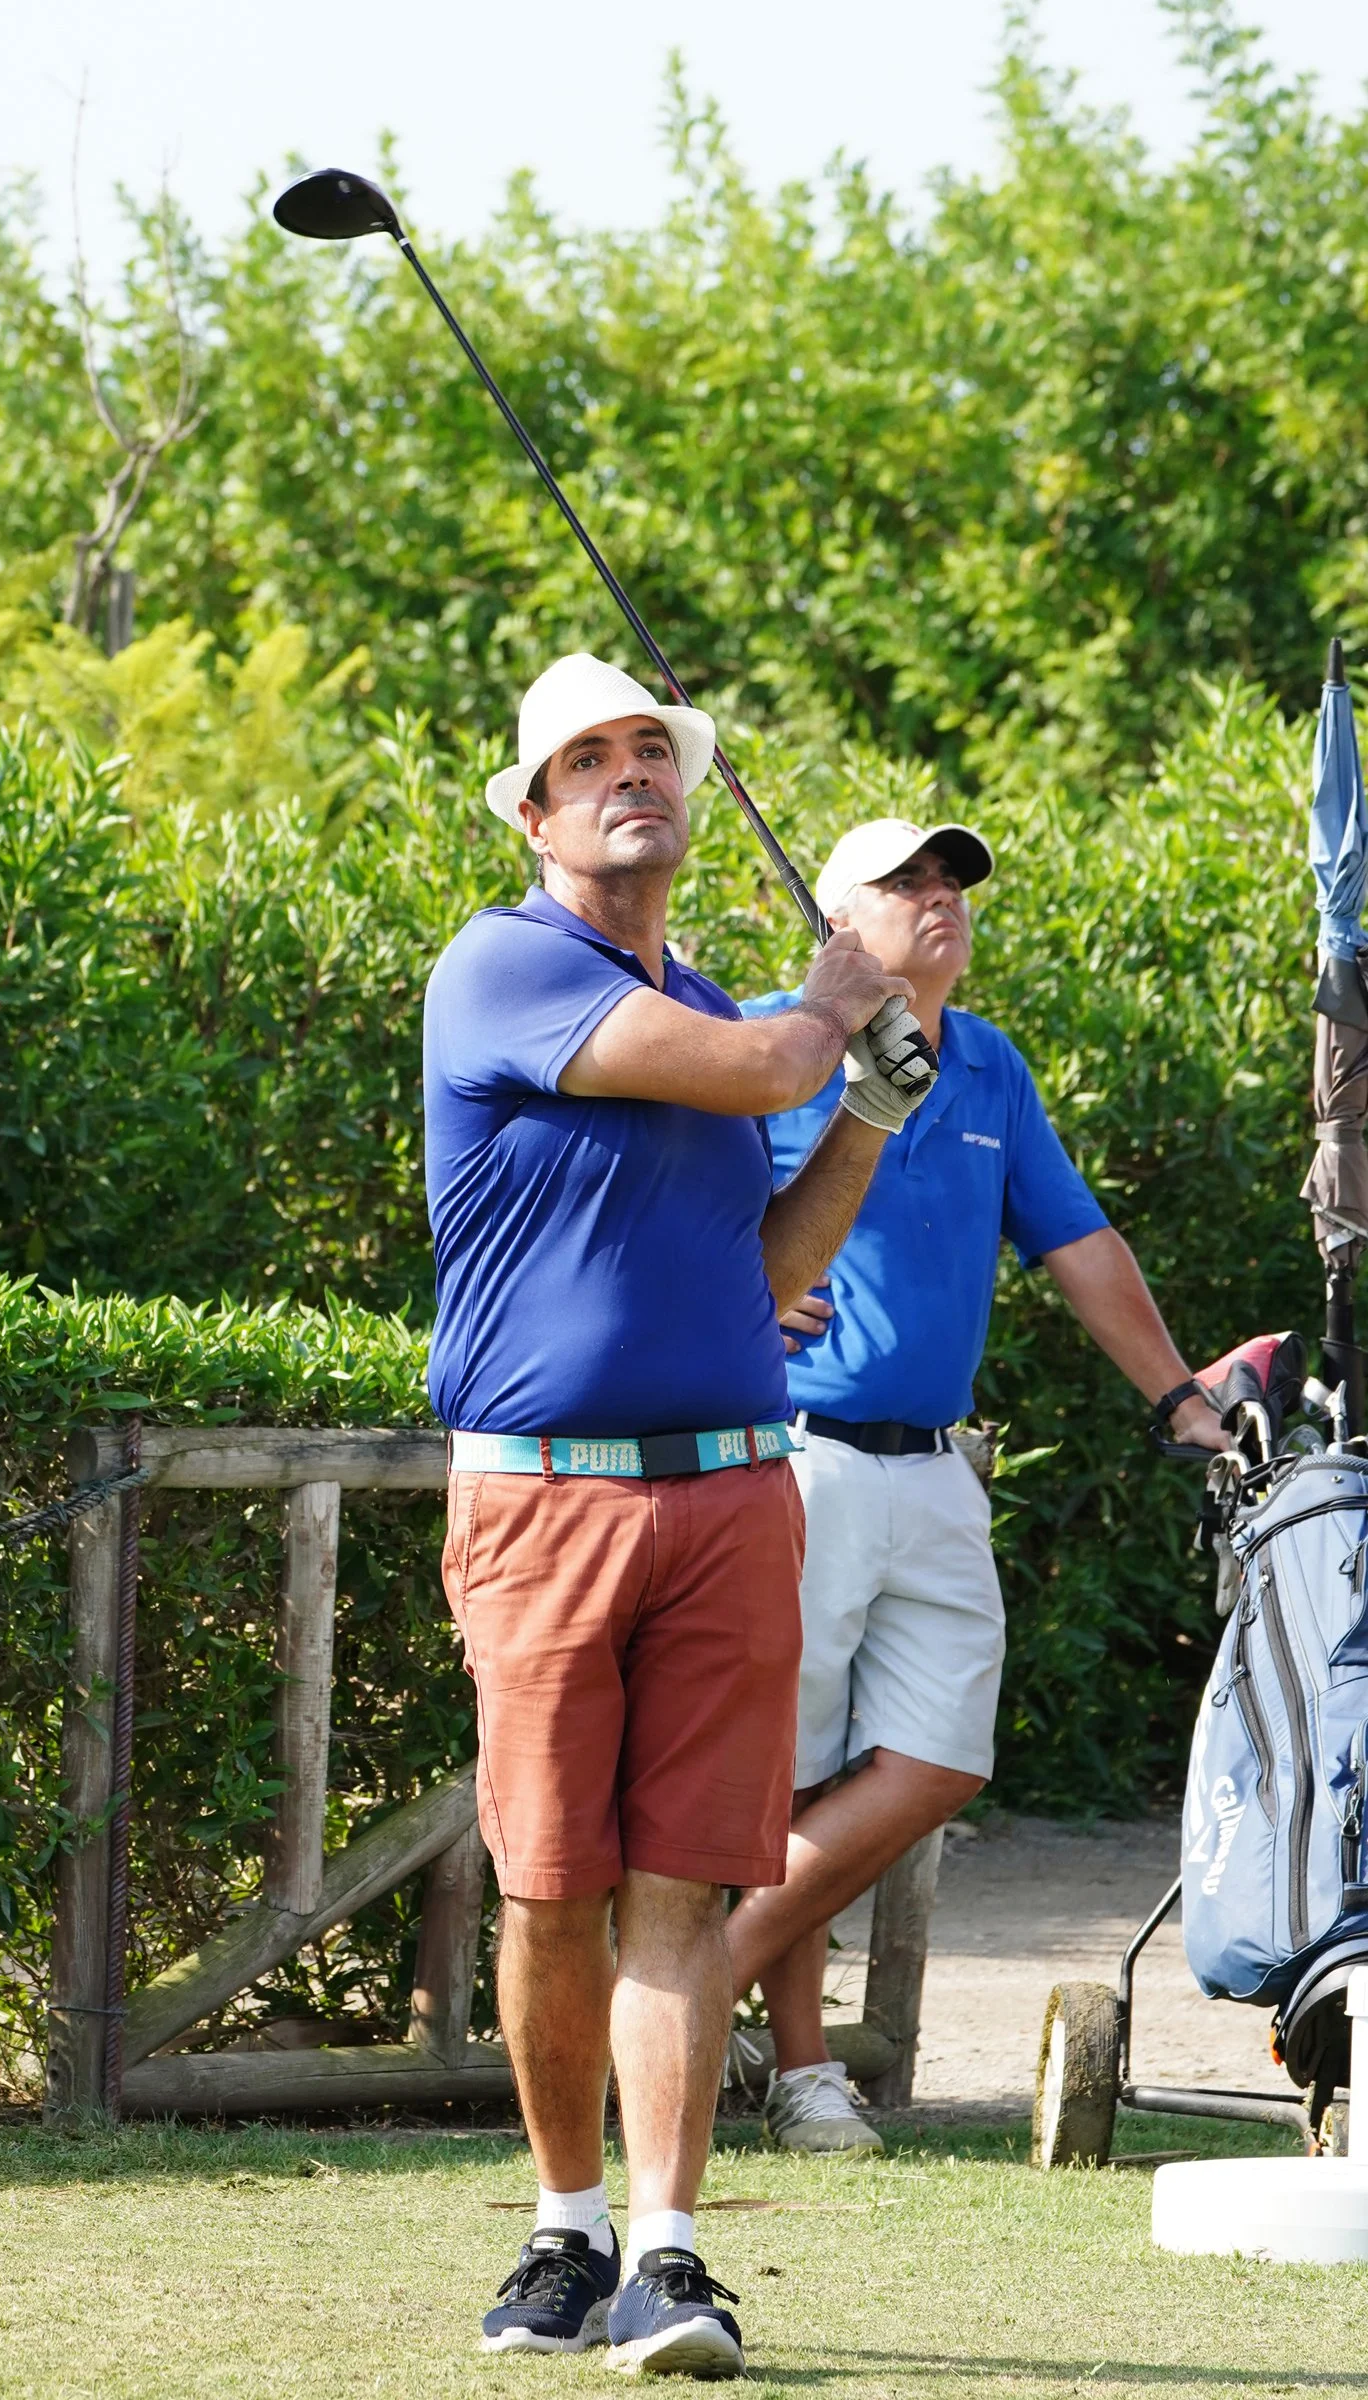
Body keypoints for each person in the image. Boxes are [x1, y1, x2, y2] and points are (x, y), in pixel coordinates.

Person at [422, 656, 937, 2377]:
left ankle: (667, 2254)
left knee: (677, 1891)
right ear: (535, 814)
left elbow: (768, 1269)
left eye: (653, 749)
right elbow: (763, 1064)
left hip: (731, 1489)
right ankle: (563, 2229)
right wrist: (835, 1006)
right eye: (589, 759)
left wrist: (871, 1110)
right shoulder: (505, 967)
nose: (631, 773)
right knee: (550, 1887)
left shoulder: (710, 1005)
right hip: (543, 1500)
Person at [724, 815, 1225, 2158]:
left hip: (937, 1464)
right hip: (796, 1453)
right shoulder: (769, 1040)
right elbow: (654, 1205)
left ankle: (692, 1989)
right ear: (839, 921)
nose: (940, 896)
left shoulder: (990, 1063)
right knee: (785, 1783)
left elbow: (1080, 1241)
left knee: (941, 1758)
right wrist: (726, 1288)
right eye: (906, 882)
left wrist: (1179, 1398)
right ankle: (803, 2073)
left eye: (952, 881)